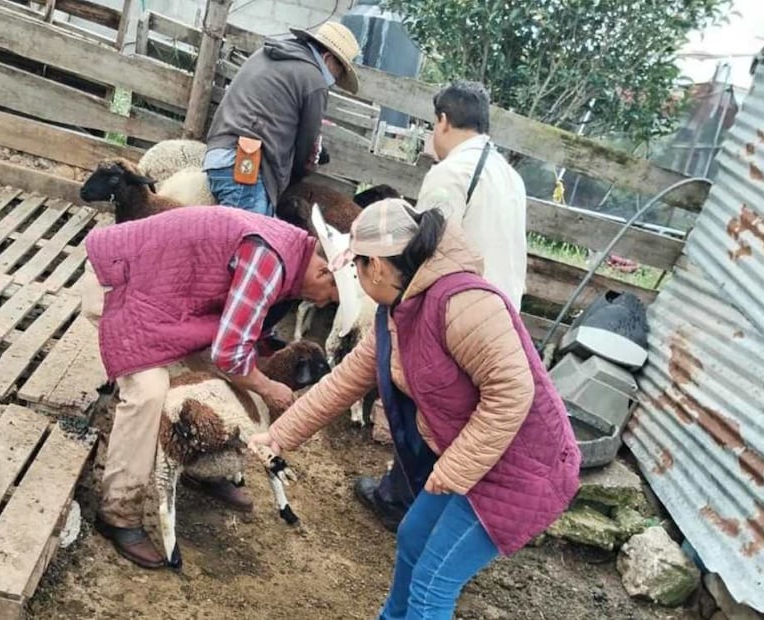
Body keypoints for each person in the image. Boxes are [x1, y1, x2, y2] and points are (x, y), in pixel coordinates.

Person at [249, 198, 579, 619]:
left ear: (380, 267)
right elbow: (345, 381)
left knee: (433, 583)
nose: (355, 278)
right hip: (473, 457)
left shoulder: (464, 303)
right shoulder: (396, 313)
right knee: (413, 536)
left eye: (358, 267)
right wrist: (279, 436)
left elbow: (513, 392)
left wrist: (455, 467)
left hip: (521, 470)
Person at [80, 205, 360, 569]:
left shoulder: (287, 252)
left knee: (213, 381)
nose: (319, 303)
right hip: (121, 282)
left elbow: (230, 348)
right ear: (324, 272)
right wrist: (268, 387)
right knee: (149, 392)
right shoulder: (269, 261)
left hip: (164, 292)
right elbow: (229, 354)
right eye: (329, 297)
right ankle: (118, 512)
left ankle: (202, 466)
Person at [354, 81, 531, 530]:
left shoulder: (450, 173)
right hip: (499, 311)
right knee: (461, 413)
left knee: (421, 398)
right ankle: (422, 497)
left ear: (444, 121)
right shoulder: (511, 178)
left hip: (455, 311)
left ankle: (403, 498)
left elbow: (420, 254)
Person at [203, 21, 360, 216]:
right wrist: (298, 174)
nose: (335, 79)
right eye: (339, 71)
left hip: (218, 156)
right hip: (245, 167)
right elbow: (306, 146)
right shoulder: (313, 80)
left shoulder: (265, 54)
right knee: (251, 239)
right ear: (328, 58)